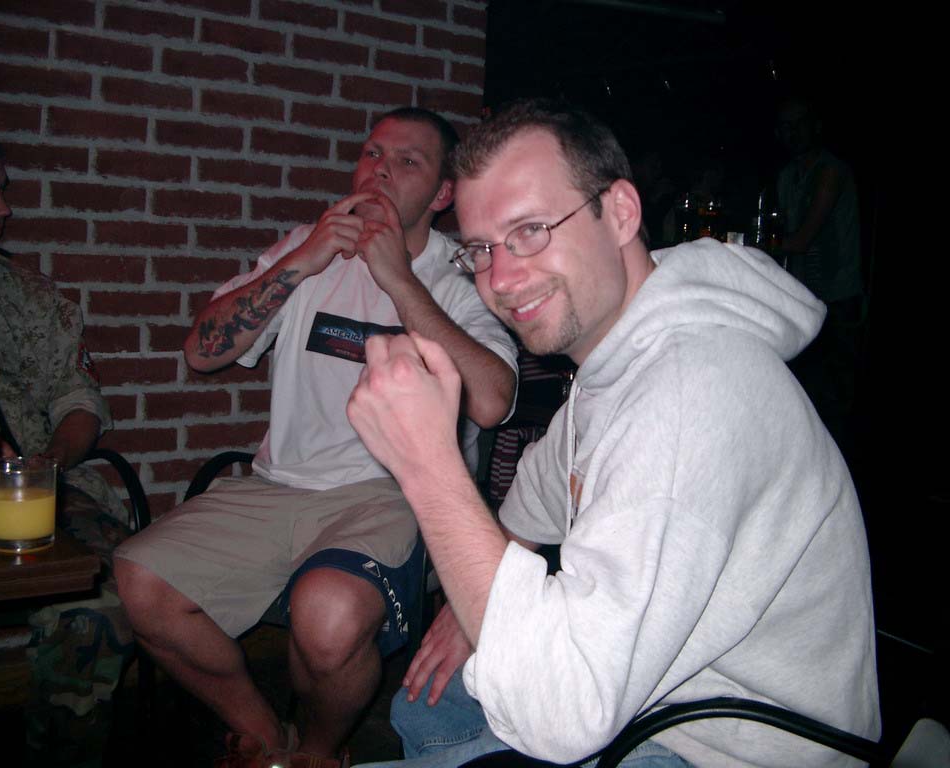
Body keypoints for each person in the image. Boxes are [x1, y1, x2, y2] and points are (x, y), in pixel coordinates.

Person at [346, 99, 879, 767]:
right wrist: (468, 606)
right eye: (480, 249)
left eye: (531, 229)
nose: (500, 279)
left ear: (621, 213)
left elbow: (564, 714)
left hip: (720, 746)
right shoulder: (614, 359)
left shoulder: (692, 389)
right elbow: (536, 493)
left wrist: (428, 467)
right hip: (643, 701)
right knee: (426, 705)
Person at [113, 107, 518, 767]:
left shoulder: (460, 273)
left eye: (407, 162)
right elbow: (203, 352)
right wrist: (303, 260)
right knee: (139, 581)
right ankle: (270, 739)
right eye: (371, 154)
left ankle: (322, 752)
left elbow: (495, 401)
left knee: (327, 617)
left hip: (390, 491)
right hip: (279, 483)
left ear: (443, 193)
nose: (379, 171)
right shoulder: (308, 246)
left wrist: (398, 279)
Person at [0, 118, 133, 767]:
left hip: (36, 493)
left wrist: (52, 461)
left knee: (101, 602)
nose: (3, 207)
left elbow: (78, 398)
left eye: (3, 189)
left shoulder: (27, 294)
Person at [775, 95, 864, 450]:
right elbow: (783, 233)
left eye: (798, 123)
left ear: (816, 126)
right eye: (785, 126)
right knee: (806, 398)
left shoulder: (831, 170)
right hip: (803, 298)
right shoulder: (787, 176)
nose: (792, 132)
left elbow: (799, 239)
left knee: (836, 403)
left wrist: (751, 241)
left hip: (837, 296)